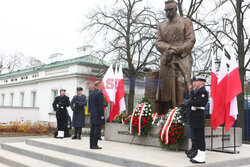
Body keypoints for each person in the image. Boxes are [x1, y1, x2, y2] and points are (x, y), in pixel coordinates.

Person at [155, 0, 196, 112]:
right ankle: (166, 112)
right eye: (166, 10)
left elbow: (191, 39)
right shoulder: (161, 26)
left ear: (175, 9)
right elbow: (158, 43)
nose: (168, 12)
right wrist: (169, 48)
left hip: (182, 57)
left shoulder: (186, 22)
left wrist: (178, 49)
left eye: (170, 10)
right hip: (167, 58)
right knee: (166, 88)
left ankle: (182, 111)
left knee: (181, 83)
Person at [184, 76, 208, 164]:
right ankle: (199, 155)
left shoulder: (203, 92)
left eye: (198, 81)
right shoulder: (197, 91)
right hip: (195, 117)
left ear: (202, 83)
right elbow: (194, 99)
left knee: (200, 138)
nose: (196, 83)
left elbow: (201, 103)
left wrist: (189, 102)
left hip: (198, 117)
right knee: (197, 138)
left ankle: (202, 156)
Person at [185, 77, 199, 159]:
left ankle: (195, 149)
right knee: (190, 133)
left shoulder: (198, 91)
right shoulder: (191, 91)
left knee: (195, 133)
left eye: (194, 82)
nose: (192, 84)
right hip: (189, 114)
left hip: (195, 115)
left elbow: (192, 101)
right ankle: (193, 148)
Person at [89, 81, 105, 149]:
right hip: (98, 114)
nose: (102, 86)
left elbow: (89, 104)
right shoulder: (99, 93)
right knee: (96, 129)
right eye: (101, 85)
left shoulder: (91, 93)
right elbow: (100, 105)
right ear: (98, 85)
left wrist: (91, 112)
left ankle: (91, 145)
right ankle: (94, 145)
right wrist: (102, 114)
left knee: (92, 129)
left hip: (92, 113)